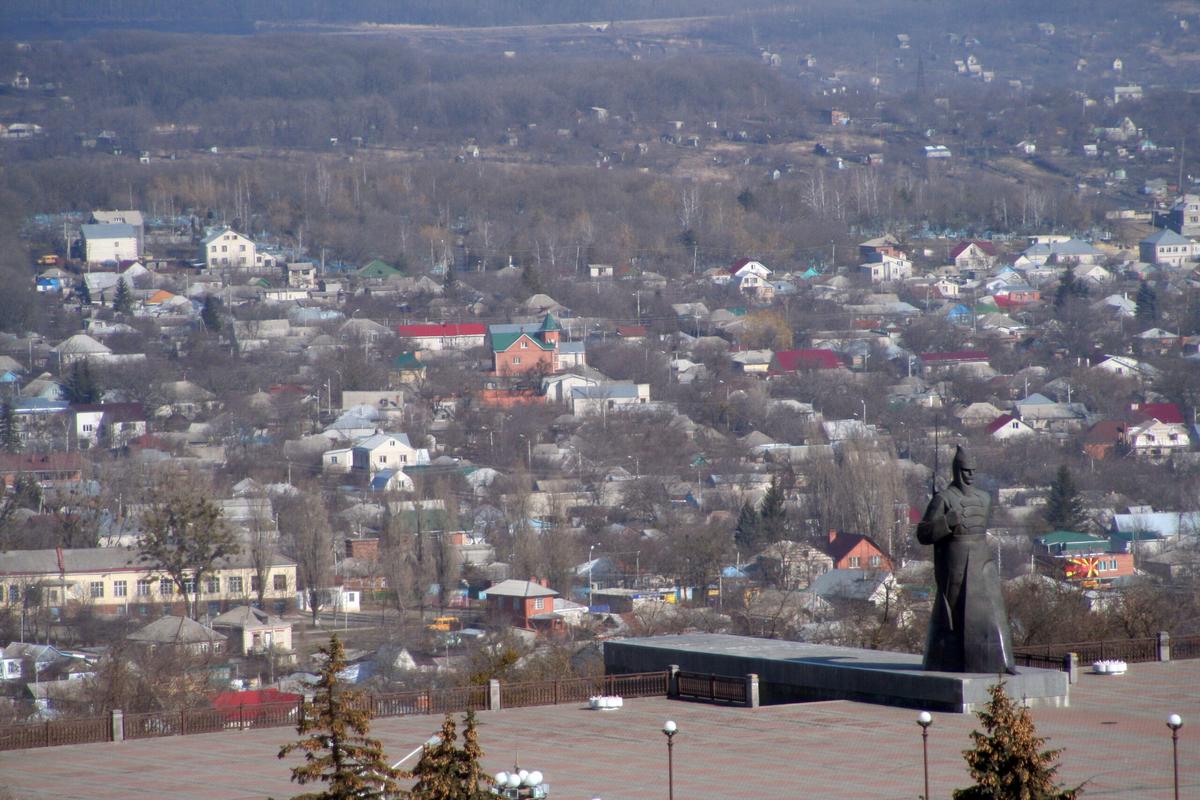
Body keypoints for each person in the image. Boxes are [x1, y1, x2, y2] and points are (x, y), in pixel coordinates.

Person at [916, 444, 1016, 674]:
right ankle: (948, 661)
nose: (970, 476)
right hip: (955, 563)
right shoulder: (944, 498)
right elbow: (923, 534)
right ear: (956, 470)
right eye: (965, 471)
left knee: (993, 609)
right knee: (953, 617)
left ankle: (1002, 661)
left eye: (973, 471)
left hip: (982, 560)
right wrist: (946, 522)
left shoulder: (984, 498)